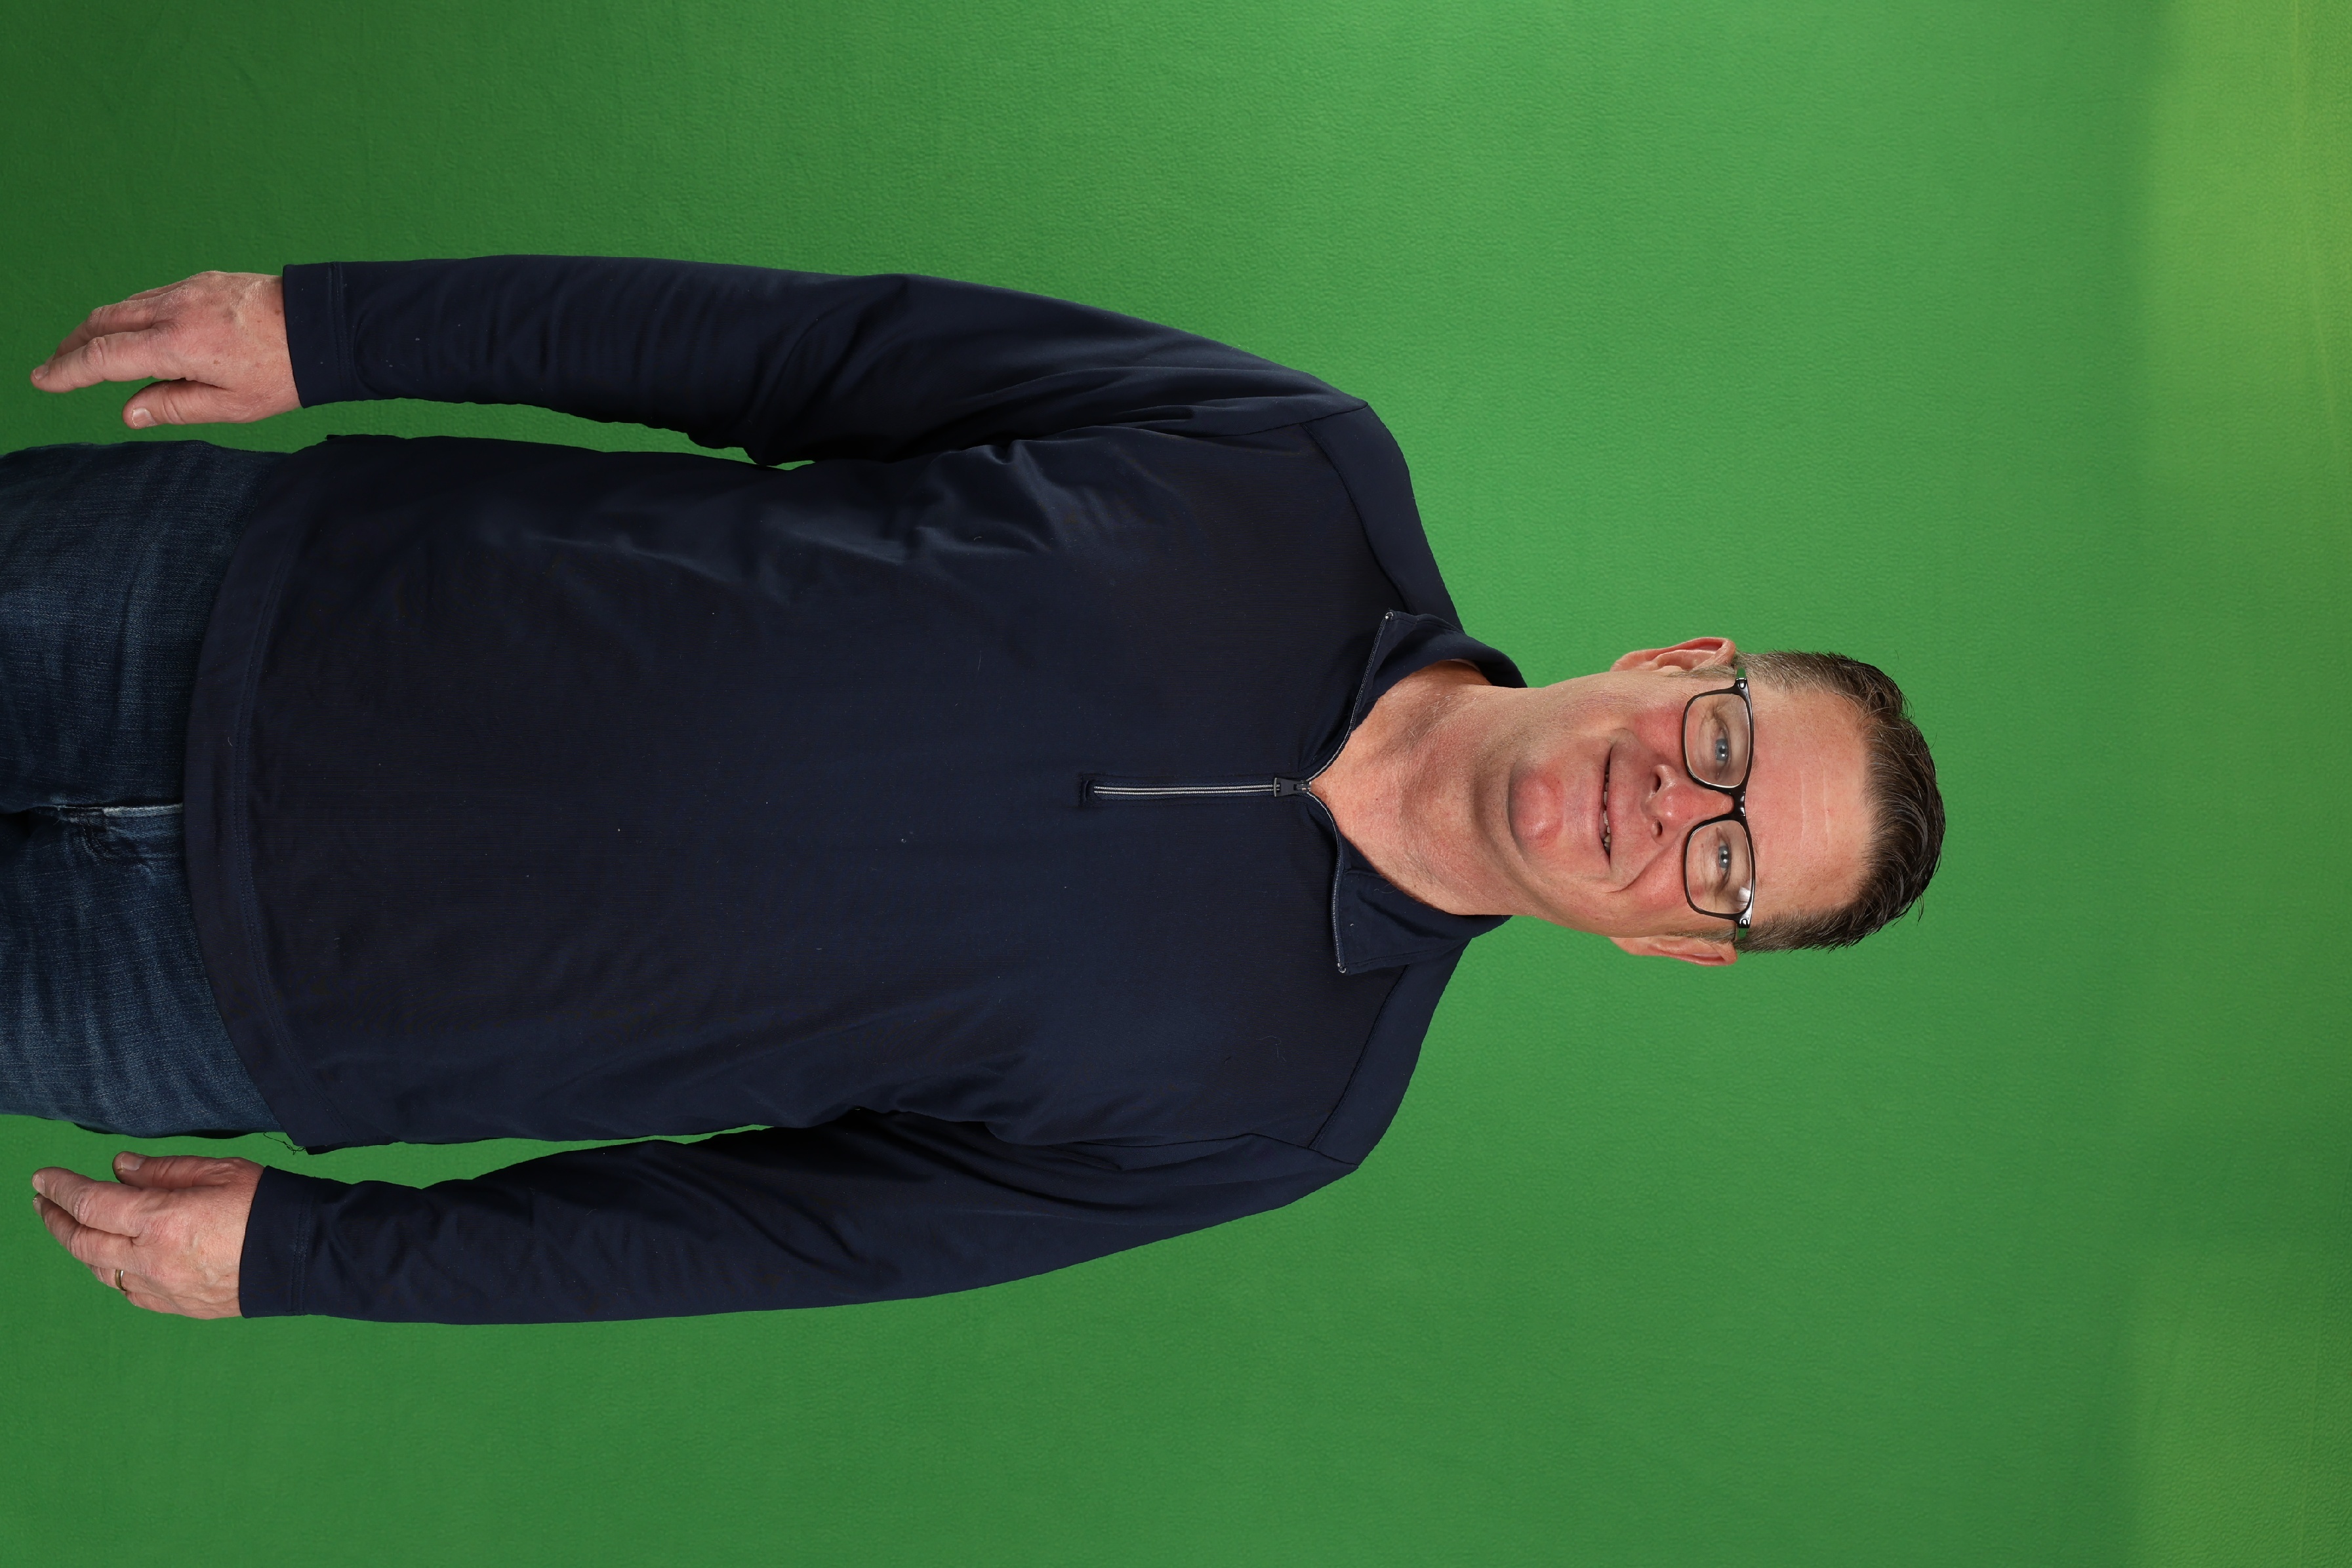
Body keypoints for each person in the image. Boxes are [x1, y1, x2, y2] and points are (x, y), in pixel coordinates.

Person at [13, 260, 1943, 1323]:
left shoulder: (1279, 1115)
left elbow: (775, 1236)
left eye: (1723, 867)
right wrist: (340, 328)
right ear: (1679, 663)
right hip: (207, 593)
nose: (1664, 810)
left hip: (213, 1001)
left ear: (1682, 946)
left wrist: (318, 1259)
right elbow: (797, 351)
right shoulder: (1293, 468)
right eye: (1720, 748)